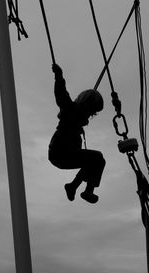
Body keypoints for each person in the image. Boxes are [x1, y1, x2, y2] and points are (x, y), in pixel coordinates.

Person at [48, 64, 106, 203]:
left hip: (64, 153)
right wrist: (59, 76)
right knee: (96, 158)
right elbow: (61, 94)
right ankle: (85, 190)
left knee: (95, 161)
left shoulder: (77, 117)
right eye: (92, 111)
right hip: (60, 152)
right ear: (86, 105)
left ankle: (73, 187)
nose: (92, 115)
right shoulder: (70, 109)